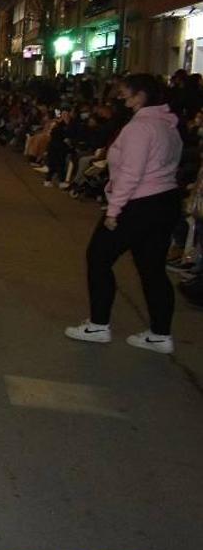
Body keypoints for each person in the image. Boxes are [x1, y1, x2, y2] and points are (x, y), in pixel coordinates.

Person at [65, 74, 183, 353]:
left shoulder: (140, 128)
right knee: (152, 269)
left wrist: (114, 210)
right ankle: (160, 333)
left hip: (138, 203)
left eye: (126, 93)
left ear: (141, 95)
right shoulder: (169, 126)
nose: (122, 97)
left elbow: (131, 173)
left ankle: (98, 324)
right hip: (164, 200)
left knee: (99, 257)